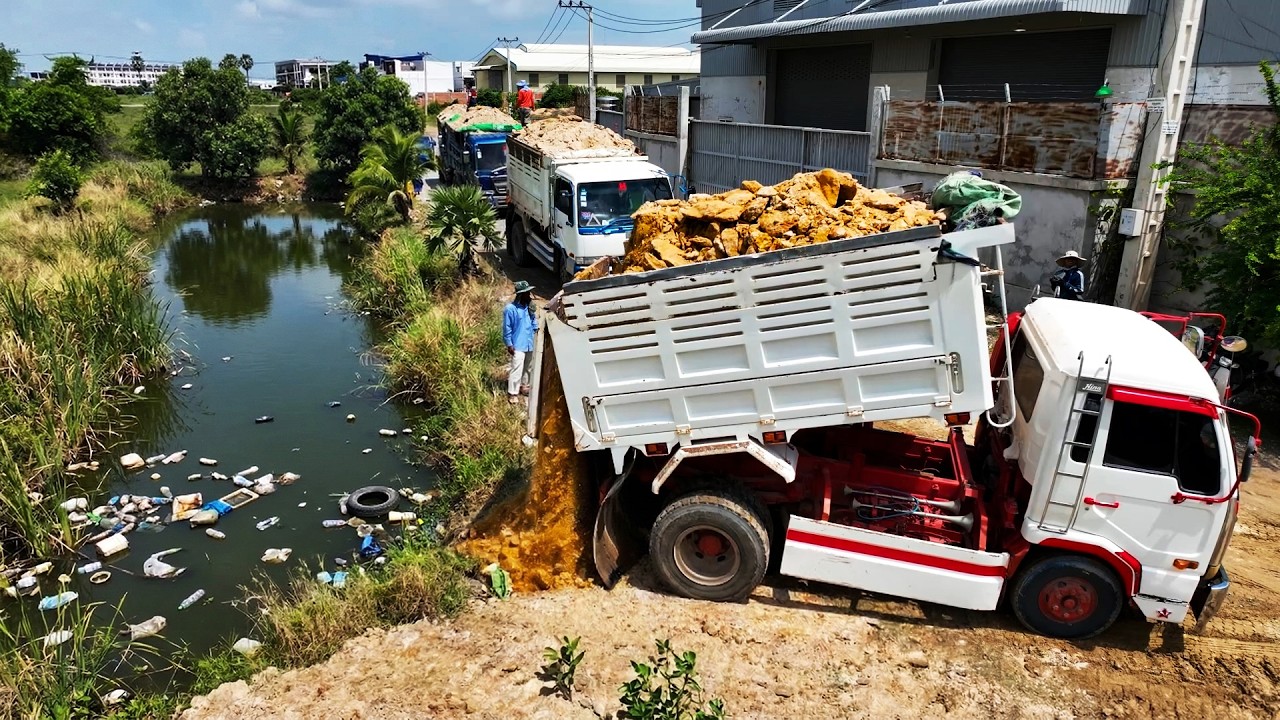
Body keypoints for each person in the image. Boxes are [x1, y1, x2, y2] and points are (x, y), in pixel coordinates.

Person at [503, 280, 538, 404]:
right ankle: (512, 393)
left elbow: (533, 321)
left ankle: (525, 386)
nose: (529, 295)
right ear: (520, 294)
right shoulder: (510, 309)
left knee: (528, 366)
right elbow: (507, 328)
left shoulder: (529, 307)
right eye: (526, 293)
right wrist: (509, 344)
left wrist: (536, 330)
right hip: (517, 344)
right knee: (517, 368)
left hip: (529, 342)